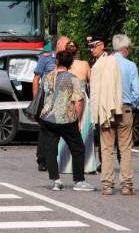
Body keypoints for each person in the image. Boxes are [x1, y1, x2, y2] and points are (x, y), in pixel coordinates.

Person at [38, 50, 95, 192]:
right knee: (77, 148)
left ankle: (55, 181)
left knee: (51, 149)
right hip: (66, 119)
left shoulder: (47, 77)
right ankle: (79, 180)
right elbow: (78, 100)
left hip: (48, 118)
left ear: (57, 61)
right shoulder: (73, 78)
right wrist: (79, 119)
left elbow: (44, 94)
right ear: (70, 63)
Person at [93, 34, 139, 195]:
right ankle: (127, 185)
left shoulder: (101, 64)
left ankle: (107, 184)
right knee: (125, 147)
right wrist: (131, 105)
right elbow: (137, 92)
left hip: (106, 109)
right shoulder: (130, 66)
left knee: (106, 148)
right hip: (125, 109)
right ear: (125, 49)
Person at [58, 40, 98, 174]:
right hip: (82, 99)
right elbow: (90, 82)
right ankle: (86, 165)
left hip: (66, 99)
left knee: (65, 131)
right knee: (84, 131)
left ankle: (64, 164)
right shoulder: (84, 64)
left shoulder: (63, 66)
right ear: (78, 50)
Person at [33, 35, 69, 171]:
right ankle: (42, 160)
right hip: (47, 99)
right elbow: (36, 78)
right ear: (59, 45)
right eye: (66, 44)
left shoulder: (70, 60)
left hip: (63, 99)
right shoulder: (46, 57)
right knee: (45, 130)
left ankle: (59, 159)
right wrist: (36, 99)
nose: (69, 46)